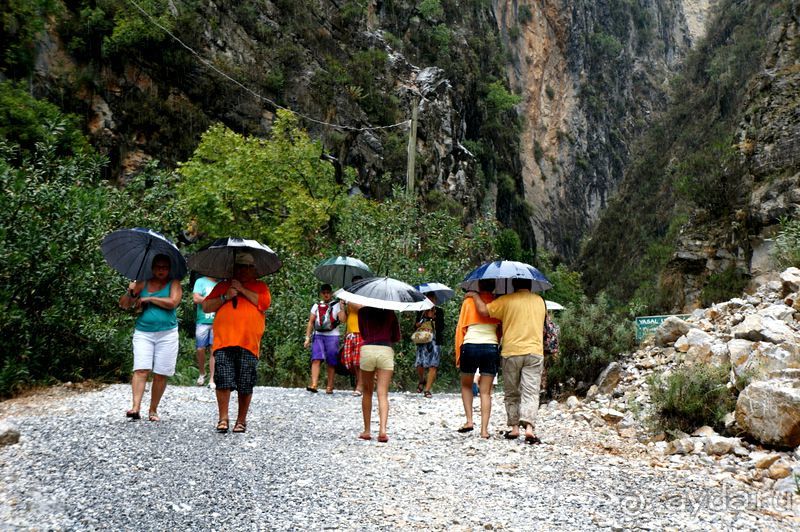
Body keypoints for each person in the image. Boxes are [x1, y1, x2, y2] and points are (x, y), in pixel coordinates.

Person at [468, 278, 547, 444]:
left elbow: (484, 311)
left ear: (513, 285)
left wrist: (475, 295)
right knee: (531, 391)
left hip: (511, 352)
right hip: (534, 351)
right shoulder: (540, 301)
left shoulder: (506, 300)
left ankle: (514, 428)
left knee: (512, 392)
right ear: (530, 285)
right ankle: (529, 428)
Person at [202, 252, 271, 433]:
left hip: (249, 342)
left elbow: (264, 304)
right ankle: (223, 418)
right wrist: (225, 296)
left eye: (247, 267)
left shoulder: (260, 286)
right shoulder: (223, 285)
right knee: (223, 379)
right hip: (224, 341)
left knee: (246, 382)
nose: (243, 270)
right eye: (239, 266)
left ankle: (241, 420)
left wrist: (242, 290)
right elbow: (206, 306)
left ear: (253, 269)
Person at [118, 254, 183, 422]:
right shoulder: (142, 282)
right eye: (158, 267)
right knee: (141, 369)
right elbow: (124, 304)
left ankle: (153, 409)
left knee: (161, 373)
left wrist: (150, 298)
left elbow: (173, 302)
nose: (161, 270)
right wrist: (131, 291)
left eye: (165, 267)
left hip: (167, 333)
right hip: (143, 332)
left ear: (169, 269)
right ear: (152, 268)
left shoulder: (174, 283)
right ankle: (135, 407)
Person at [455, 279, 501, 439]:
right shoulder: (497, 303)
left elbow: (461, 328)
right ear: (494, 287)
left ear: (479, 286)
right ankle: (484, 430)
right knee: (485, 392)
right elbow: (500, 330)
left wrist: (458, 354)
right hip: (490, 347)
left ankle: (469, 421)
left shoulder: (468, 302)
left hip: (470, 346)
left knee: (466, 385)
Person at [352, 304, 400, 443]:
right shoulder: (390, 312)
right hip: (385, 350)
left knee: (367, 392)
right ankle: (382, 430)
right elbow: (396, 336)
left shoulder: (362, 312)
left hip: (368, 349)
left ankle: (367, 431)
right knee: (382, 393)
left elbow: (363, 334)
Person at [304, 284, 346, 394]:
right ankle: (314, 384)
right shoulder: (316, 306)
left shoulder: (337, 305)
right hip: (318, 335)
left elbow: (343, 320)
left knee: (331, 361)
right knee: (316, 359)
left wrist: (342, 306)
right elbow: (311, 322)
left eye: (328, 292)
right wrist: (307, 338)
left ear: (331, 293)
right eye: (324, 293)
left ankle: (330, 386)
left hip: (333, 335)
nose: (326, 295)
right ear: (321, 294)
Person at [413, 295, 445, 398]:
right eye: (429, 299)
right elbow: (415, 326)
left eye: (433, 299)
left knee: (433, 365)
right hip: (422, 340)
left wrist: (433, 318)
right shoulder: (421, 311)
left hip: (435, 341)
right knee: (419, 364)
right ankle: (421, 380)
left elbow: (442, 327)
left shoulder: (439, 311)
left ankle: (427, 390)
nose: (431, 301)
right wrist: (420, 322)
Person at [192, 275, 218, 387]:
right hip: (202, 320)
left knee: (214, 349)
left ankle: (212, 379)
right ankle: (202, 373)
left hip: (217, 321)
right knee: (200, 348)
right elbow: (196, 298)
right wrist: (213, 301)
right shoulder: (200, 281)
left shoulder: (221, 284)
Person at [342, 276, 364, 396]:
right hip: (350, 332)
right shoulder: (349, 298)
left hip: (361, 332)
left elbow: (361, 309)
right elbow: (343, 319)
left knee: (358, 361)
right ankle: (359, 383)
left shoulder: (364, 297)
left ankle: (359, 386)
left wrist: (348, 300)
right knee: (350, 362)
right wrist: (342, 306)